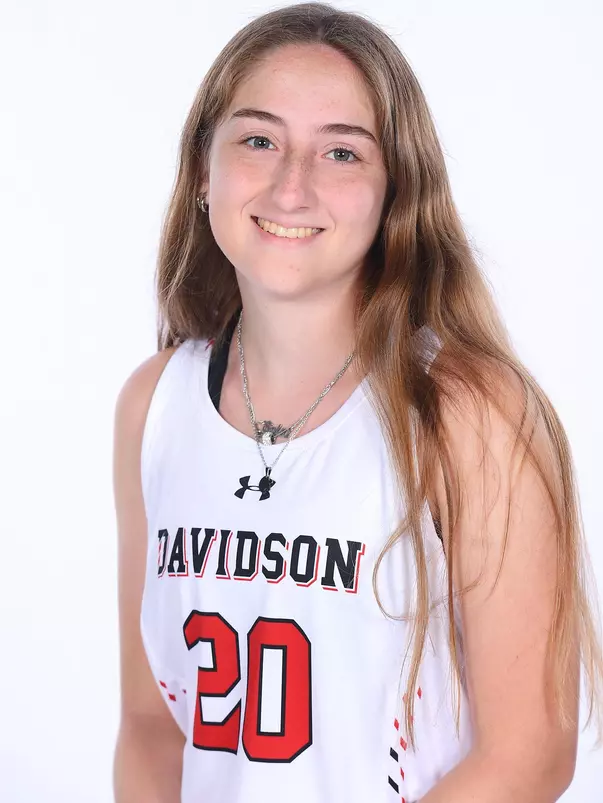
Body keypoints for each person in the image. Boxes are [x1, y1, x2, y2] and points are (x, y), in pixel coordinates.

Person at [112, 3, 603, 802]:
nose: (291, 186)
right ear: (203, 170)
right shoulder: (153, 405)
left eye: (340, 152)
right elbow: (151, 723)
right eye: (259, 140)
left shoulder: (468, 412)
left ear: (393, 192)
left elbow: (528, 753)